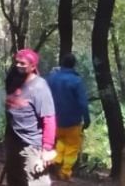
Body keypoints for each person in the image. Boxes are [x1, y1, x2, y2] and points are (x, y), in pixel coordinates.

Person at [4, 49, 57, 186]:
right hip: (14, 143)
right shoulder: (14, 82)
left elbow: (49, 119)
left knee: (37, 182)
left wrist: (47, 148)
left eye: (23, 63)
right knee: (15, 180)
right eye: (17, 62)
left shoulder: (39, 87)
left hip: (31, 146)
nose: (18, 66)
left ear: (33, 66)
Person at [47, 53, 90, 181]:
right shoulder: (76, 81)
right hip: (73, 122)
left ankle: (56, 160)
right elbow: (83, 102)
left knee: (60, 141)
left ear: (61, 63)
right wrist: (86, 119)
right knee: (72, 147)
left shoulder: (51, 79)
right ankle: (65, 173)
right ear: (74, 65)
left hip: (55, 121)